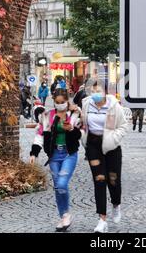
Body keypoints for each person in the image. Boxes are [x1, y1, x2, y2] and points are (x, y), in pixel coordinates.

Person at [29, 88, 82, 232]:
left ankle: (65, 215)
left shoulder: (74, 114)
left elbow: (81, 133)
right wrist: (34, 153)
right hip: (53, 156)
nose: (60, 105)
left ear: (67, 101)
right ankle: (64, 215)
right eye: (57, 102)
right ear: (53, 102)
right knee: (58, 187)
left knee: (62, 182)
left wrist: (71, 128)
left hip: (69, 153)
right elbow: (39, 135)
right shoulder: (47, 116)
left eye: (63, 102)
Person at [81, 81, 128, 233]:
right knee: (99, 180)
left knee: (113, 180)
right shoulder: (87, 104)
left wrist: (113, 139)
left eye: (98, 90)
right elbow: (82, 124)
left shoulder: (114, 105)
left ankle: (116, 203)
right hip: (93, 147)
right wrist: (83, 138)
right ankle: (102, 220)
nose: (95, 93)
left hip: (111, 147)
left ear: (105, 91)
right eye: (92, 90)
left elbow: (123, 126)